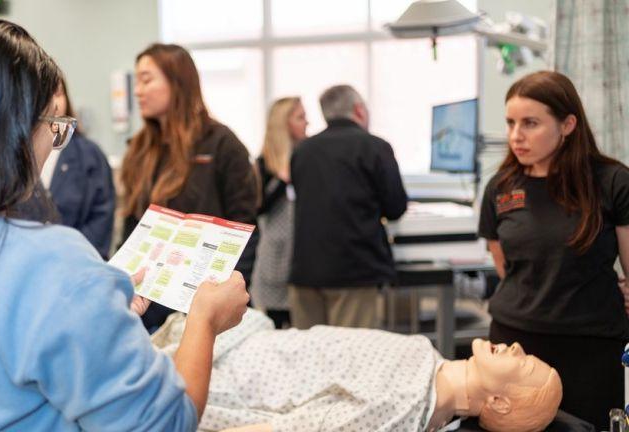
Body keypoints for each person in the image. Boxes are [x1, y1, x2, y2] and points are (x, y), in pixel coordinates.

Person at [0, 16, 249, 431]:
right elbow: (166, 423)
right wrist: (204, 320)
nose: (52, 145)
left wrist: (93, 302)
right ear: (11, 131)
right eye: (54, 126)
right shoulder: (51, 262)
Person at [478, 70, 629, 429]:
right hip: (514, 346)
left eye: (530, 123)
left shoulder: (612, 182)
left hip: (590, 347)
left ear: (568, 124)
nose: (516, 135)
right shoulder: (500, 187)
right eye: (511, 122)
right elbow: (506, 267)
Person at [152, 310, 563, 432]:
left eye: (523, 362)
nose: (515, 347)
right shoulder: (431, 367)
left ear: (498, 403)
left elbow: (294, 430)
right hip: (234, 344)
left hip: (222, 378)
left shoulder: (405, 408)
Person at [121, 43, 258, 331]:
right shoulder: (138, 149)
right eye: (137, 81)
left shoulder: (221, 144)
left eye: (147, 79)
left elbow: (245, 228)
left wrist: (226, 302)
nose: (137, 91)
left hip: (206, 307)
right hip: (146, 308)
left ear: (177, 81)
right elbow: (131, 229)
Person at [289, 84, 408, 329]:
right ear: (359, 110)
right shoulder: (375, 148)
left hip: (305, 272)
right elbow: (395, 207)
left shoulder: (302, 151)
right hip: (354, 272)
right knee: (351, 359)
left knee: (307, 360)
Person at [39, 80, 116, 259]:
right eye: (44, 94)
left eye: (58, 94)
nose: (54, 103)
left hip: (80, 264)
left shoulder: (89, 155)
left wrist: (72, 258)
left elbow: (101, 219)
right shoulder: (14, 155)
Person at [250, 96, 308, 328]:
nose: (307, 123)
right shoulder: (264, 164)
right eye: (301, 117)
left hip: (305, 261)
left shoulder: (309, 158)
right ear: (284, 124)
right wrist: (283, 177)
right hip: (274, 260)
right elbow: (258, 206)